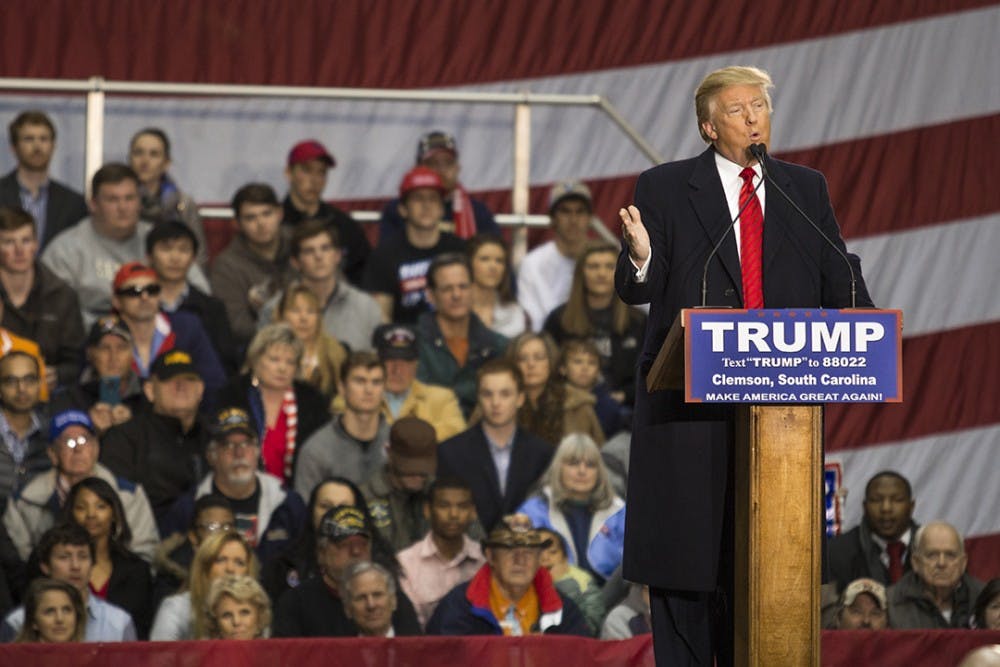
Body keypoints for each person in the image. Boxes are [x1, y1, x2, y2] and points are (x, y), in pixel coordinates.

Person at [614, 65, 874, 666]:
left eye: (760, 106)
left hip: (779, 420)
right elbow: (637, 287)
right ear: (709, 126)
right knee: (689, 576)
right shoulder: (666, 186)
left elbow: (839, 279)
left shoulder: (804, 190)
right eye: (737, 109)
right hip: (689, 414)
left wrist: (863, 320)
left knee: (768, 571)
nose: (754, 117)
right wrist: (644, 256)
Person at [40, 163, 210, 327]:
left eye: (129, 198)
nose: (123, 207)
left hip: (159, 336)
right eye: (112, 200)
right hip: (91, 341)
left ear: (139, 202)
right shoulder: (65, 250)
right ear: (93, 204)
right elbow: (56, 314)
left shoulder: (160, 240)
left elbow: (202, 294)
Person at [4, 410, 158, 563]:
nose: (78, 449)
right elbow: (21, 563)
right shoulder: (24, 501)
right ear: (52, 453)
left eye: (84, 440)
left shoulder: (128, 494)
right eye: (69, 442)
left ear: (96, 447)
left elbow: (144, 553)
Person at [161, 407, 306, 565]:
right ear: (211, 455)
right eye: (228, 445)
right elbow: (170, 569)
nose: (239, 453)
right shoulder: (188, 509)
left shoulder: (288, 504)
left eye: (246, 443)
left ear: (258, 451)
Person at [99, 349, 212, 532]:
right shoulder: (125, 439)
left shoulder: (217, 438)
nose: (181, 385)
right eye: (170, 380)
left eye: (189, 379)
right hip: (146, 541)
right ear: (150, 390)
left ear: (201, 390)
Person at [437, 359, 553, 532]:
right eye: (487, 394)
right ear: (478, 398)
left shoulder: (542, 453)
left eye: (505, 394)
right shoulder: (450, 452)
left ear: (520, 399)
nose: (496, 403)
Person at [272, 505, 420, 637]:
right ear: (322, 553)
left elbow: (415, 653)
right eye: (344, 545)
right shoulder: (296, 603)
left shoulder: (389, 597)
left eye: (362, 544)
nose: (356, 552)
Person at [425, 517, 589, 636]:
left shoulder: (562, 609)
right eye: (509, 550)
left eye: (529, 552)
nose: (520, 560)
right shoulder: (459, 607)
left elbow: (581, 656)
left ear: (539, 559)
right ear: (490, 556)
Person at [215, 323, 329, 487]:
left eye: (290, 362)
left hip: (296, 493)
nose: (282, 368)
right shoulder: (232, 395)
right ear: (256, 360)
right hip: (239, 489)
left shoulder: (312, 401)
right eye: (274, 359)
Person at [261, 477, 398, 605]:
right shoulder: (285, 567)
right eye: (325, 506)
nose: (333, 514)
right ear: (311, 512)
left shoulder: (382, 566)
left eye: (344, 507)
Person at [543, 240, 646, 407]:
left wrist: (623, 396)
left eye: (609, 266)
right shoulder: (558, 320)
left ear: (620, 272)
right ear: (580, 273)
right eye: (593, 266)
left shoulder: (638, 321)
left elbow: (648, 376)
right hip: (569, 407)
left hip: (625, 412)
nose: (601, 274)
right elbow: (548, 372)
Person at [259, 218, 382, 352]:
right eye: (309, 251)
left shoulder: (366, 307)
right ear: (295, 262)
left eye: (325, 248)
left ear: (337, 256)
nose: (318, 256)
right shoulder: (274, 308)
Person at [516, 433, 625, 583]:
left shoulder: (619, 512)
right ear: (558, 468)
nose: (582, 471)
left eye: (590, 465)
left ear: (599, 472)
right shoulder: (533, 511)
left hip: (610, 601)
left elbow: (630, 573)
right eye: (573, 463)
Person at [363, 166, 466, 324]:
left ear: (441, 209)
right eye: (418, 198)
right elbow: (381, 318)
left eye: (432, 199)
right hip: (402, 342)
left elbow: (471, 306)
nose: (426, 205)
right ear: (403, 209)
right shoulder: (384, 255)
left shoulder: (459, 250)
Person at [1, 523, 136, 641]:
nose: (75, 566)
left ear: (93, 564)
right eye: (64, 557)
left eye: (83, 557)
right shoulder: (17, 622)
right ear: (45, 566)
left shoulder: (119, 623)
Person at [109, 262, 225, 398]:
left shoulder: (186, 327)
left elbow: (214, 383)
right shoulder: (105, 335)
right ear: (116, 300)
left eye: (152, 290)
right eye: (133, 292)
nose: (144, 297)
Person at [0, 206, 84, 390]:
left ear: (36, 244)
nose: (19, 250)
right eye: (8, 242)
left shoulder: (62, 295)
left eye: (26, 240)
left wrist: (58, 374)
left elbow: (76, 360)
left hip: (47, 395)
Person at [415, 253, 508, 417]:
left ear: (473, 290)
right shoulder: (414, 344)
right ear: (430, 295)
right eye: (447, 289)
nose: (456, 295)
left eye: (463, 287)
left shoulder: (498, 346)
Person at [61, 477, 154, 638]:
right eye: (81, 507)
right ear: (71, 513)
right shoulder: (55, 565)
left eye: (100, 506)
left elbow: (142, 632)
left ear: (114, 514)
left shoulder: (137, 570)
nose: (91, 514)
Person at [146, 220, 239, 374]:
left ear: (193, 258)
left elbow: (226, 364)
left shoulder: (212, 308)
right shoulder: (138, 303)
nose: (175, 257)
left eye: (183, 250)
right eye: (166, 249)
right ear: (149, 256)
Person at [294, 351, 390, 493]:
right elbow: (305, 511)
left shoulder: (397, 441)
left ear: (384, 388)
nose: (369, 390)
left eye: (376, 382)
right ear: (342, 388)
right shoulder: (316, 451)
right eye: (360, 381)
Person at [210, 183, 292, 349]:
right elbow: (237, 325)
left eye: (267, 214)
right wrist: (288, 331)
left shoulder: (302, 246)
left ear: (280, 214)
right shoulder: (226, 266)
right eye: (250, 218)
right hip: (259, 350)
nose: (261, 223)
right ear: (237, 224)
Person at [397, 476, 485, 629]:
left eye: (462, 506)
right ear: (427, 510)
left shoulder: (485, 560)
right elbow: (408, 627)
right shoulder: (406, 563)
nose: (454, 514)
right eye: (444, 506)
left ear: (473, 512)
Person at [379, 131, 499, 241]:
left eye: (447, 163)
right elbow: (387, 256)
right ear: (417, 168)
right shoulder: (399, 209)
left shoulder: (477, 212)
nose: (441, 170)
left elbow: (494, 253)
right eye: (432, 163)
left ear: (457, 168)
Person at [281, 140, 371, 286]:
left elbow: (365, 272)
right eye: (306, 170)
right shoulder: (273, 223)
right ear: (288, 173)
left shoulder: (343, 224)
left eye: (321, 172)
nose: (314, 180)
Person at [150, 528, 258, 641]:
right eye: (220, 560)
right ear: (204, 567)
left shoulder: (257, 608)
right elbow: (160, 656)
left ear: (248, 571)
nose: (230, 569)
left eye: (239, 562)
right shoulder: (176, 608)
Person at [0, 111, 87, 249]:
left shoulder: (73, 203)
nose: (37, 146)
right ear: (14, 147)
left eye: (44, 139)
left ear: (53, 146)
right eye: (29, 139)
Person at [364, 323, 465, 441]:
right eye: (390, 360)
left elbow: (457, 434)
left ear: (416, 364)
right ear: (377, 361)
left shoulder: (442, 399)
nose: (397, 370)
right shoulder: (357, 396)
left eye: (405, 361)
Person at [518, 180, 595, 330]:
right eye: (565, 211)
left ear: (589, 218)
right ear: (553, 218)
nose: (573, 220)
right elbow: (534, 322)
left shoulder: (610, 258)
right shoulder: (532, 263)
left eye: (580, 211)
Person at [50, 316, 144, 435]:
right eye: (105, 348)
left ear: (132, 352)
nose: (113, 357)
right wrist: (88, 427)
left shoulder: (150, 395)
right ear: (89, 353)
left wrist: (133, 426)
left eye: (121, 347)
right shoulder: (69, 398)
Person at [127, 128, 208, 266]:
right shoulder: (119, 202)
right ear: (129, 159)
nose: (145, 161)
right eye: (138, 153)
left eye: (154, 154)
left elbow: (199, 255)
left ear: (166, 163)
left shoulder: (183, 203)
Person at [507, 331, 604, 447]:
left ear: (551, 361)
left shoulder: (577, 405)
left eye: (539, 357)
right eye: (522, 359)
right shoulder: (496, 400)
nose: (531, 364)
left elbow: (597, 455)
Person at [829, 470, 918, 591]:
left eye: (897, 499)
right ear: (865, 507)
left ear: (911, 506)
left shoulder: (934, 547)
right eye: (876, 500)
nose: (886, 508)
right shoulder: (836, 553)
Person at [359, 416, 436, 552]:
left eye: (423, 467)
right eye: (409, 466)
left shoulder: (439, 494)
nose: (417, 474)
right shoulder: (364, 498)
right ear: (389, 453)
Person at [887, 520, 983, 629]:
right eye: (932, 555)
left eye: (950, 555)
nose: (941, 563)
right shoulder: (889, 604)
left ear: (963, 563)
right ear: (916, 563)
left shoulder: (985, 599)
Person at [153, 494, 234, 606]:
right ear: (193, 536)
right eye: (211, 527)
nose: (220, 534)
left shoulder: (242, 565)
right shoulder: (171, 576)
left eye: (226, 527)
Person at [275, 282, 347, 403]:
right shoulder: (267, 352)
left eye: (311, 311)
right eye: (295, 310)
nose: (304, 318)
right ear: (281, 316)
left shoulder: (336, 354)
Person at [0, 351, 51, 505]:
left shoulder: (53, 434)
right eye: (11, 381)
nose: (21, 388)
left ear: (40, 384)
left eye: (29, 379)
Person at [536, 527, 604, 636]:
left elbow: (592, 625)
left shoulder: (583, 579)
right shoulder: (527, 583)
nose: (545, 559)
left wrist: (561, 584)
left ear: (565, 557)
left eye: (553, 552)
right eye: (538, 553)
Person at [559, 338, 630, 438]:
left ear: (598, 371)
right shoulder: (554, 401)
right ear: (563, 369)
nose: (585, 367)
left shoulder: (610, 407)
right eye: (578, 361)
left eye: (592, 363)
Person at [467, 234, 527, 338]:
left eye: (499, 261)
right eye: (485, 259)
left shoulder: (514, 312)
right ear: (468, 264)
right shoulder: (455, 309)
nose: (493, 267)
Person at [340, 560, 412, 637]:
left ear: (393, 601)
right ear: (347, 609)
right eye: (361, 598)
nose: (371, 605)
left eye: (377, 595)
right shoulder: (340, 649)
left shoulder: (416, 647)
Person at [13, 577, 86, 643]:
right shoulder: (14, 657)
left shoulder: (91, 655)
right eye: (50, 612)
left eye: (66, 610)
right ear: (33, 621)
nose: (59, 619)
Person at [202, 574, 271, 639]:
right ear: (215, 623)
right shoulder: (202, 651)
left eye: (244, 613)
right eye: (227, 615)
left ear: (259, 617)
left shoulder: (275, 651)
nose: (236, 622)